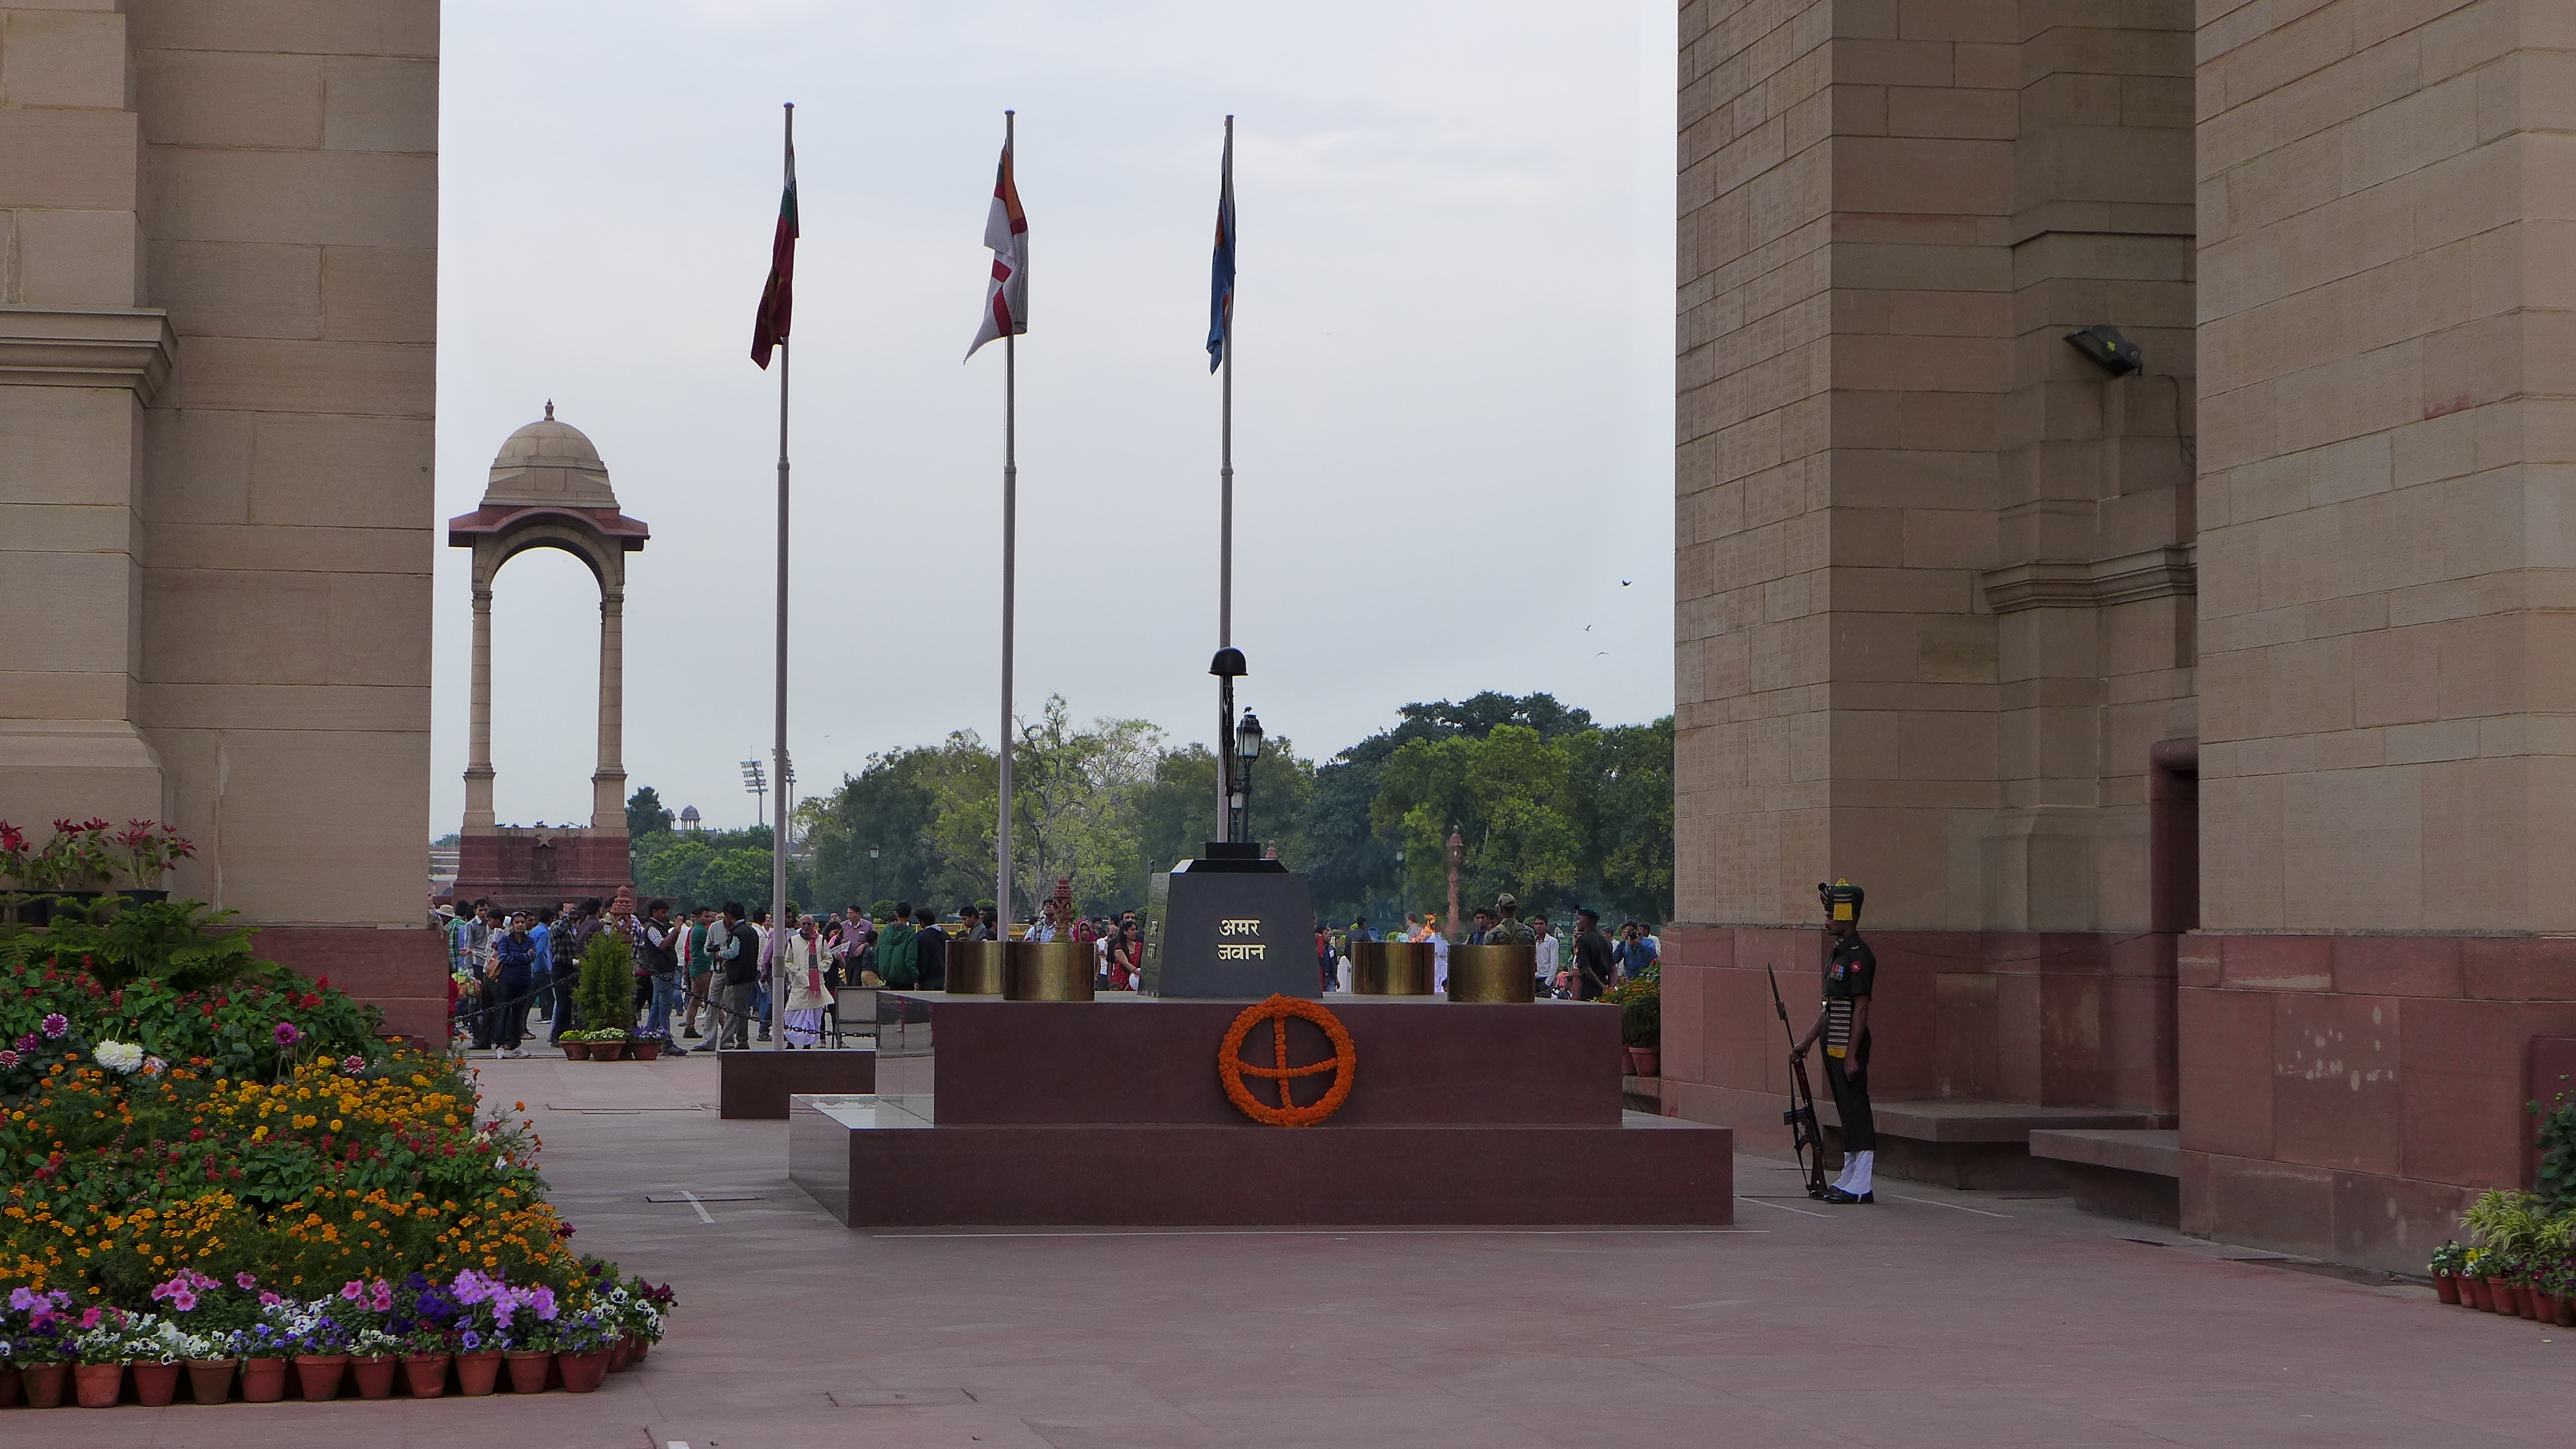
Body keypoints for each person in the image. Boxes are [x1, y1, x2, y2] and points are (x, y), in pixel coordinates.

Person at [1791, 880, 1877, 1205]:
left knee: (1856, 1109)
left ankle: (1863, 1182)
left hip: (1848, 1044)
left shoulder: (1859, 956)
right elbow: (1829, 1007)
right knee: (1845, 1109)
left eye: (1832, 914)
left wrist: (1852, 1054)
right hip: (1834, 1041)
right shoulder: (1838, 954)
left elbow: (1862, 1007)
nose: (1827, 920)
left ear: (1847, 915)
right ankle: (1850, 1174)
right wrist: (1808, 1042)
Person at [490, 911, 539, 1058]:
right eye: (517, 922)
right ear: (512, 925)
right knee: (503, 1013)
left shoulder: (529, 940)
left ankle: (515, 1045)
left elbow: (533, 956)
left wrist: (519, 957)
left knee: (519, 1015)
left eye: (522, 922)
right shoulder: (506, 940)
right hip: (507, 981)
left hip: (523, 981)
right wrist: (523, 957)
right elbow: (504, 957)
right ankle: (500, 1045)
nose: (520, 925)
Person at [715, 902, 758, 1050]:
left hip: (738, 976)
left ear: (730, 916)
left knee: (736, 1010)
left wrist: (720, 954)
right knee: (742, 1008)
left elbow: (733, 952)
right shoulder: (751, 930)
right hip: (750, 975)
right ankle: (740, 1039)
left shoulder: (738, 932)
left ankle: (740, 1040)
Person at [780, 917, 826, 1048]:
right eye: (804, 924)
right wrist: (797, 971)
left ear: (813, 925)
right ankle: (791, 1042)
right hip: (798, 985)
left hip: (815, 986)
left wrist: (818, 969)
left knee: (813, 1016)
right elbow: (787, 961)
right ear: (800, 924)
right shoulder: (794, 941)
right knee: (791, 1013)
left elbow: (827, 958)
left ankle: (808, 1043)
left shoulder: (821, 940)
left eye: (809, 924)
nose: (806, 926)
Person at [1571, 907, 1615, 1000]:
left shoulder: (1583, 941)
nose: (1578, 922)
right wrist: (1610, 988)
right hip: (1604, 987)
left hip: (1589, 989)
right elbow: (1613, 969)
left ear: (1587, 921)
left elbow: (1586, 969)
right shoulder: (1606, 941)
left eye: (1580, 919)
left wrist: (1601, 986)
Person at [877, 902, 919, 989]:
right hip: (905, 979)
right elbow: (910, 959)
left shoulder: (885, 931)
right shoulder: (911, 934)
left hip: (887, 976)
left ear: (896, 913)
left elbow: (877, 952)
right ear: (910, 914)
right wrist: (915, 978)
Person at [913, 906, 949, 991]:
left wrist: (918, 978)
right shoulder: (945, 934)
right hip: (943, 978)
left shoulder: (924, 937)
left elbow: (923, 961)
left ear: (923, 922)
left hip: (928, 981)